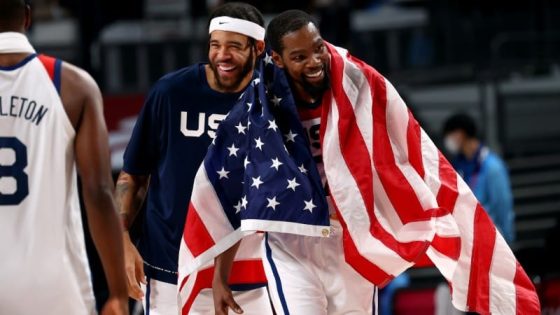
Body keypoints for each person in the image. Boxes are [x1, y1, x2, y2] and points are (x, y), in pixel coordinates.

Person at [211, 9, 539, 315]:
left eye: (317, 49)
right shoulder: (256, 107)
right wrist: (220, 274)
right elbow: (230, 194)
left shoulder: (358, 83)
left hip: (351, 235)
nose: (313, 61)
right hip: (291, 241)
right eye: (299, 57)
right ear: (278, 60)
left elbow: (412, 147)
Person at [115, 2, 272, 314]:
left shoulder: (272, 100)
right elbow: (133, 175)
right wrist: (122, 240)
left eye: (234, 47)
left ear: (258, 48)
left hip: (252, 275)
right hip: (171, 271)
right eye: (215, 45)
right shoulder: (171, 92)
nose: (222, 55)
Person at [0, 0, 128, 314]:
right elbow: (98, 191)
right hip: (52, 284)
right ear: (28, 17)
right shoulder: (71, 84)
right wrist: (117, 292)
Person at [442, 113, 515, 244]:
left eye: (449, 135)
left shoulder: (492, 167)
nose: (448, 141)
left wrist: (507, 241)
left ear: (460, 134)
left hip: (490, 242)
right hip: (466, 241)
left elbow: (503, 206)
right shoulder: (457, 166)